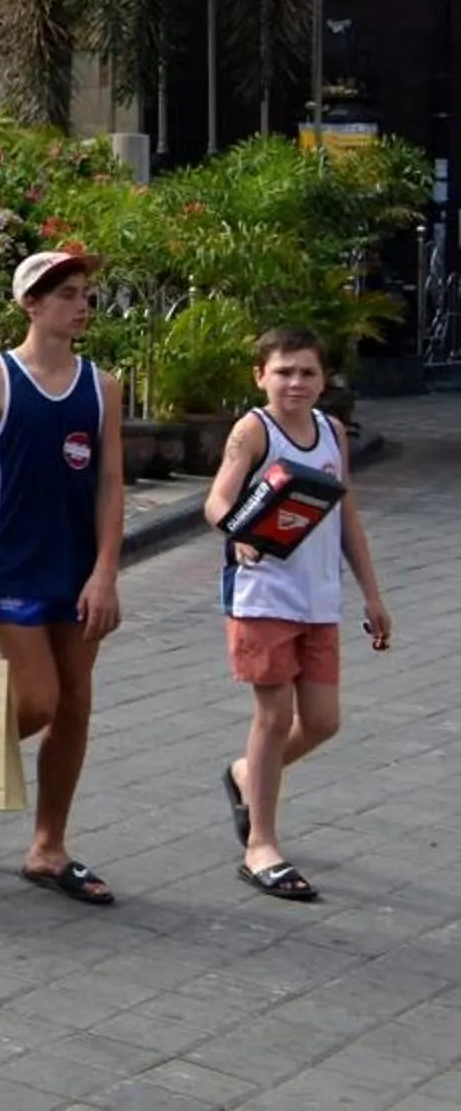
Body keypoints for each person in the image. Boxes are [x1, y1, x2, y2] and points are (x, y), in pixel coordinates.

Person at [0, 247, 126, 904]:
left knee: (75, 705)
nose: (81, 305)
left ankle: (49, 847)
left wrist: (106, 572)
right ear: (31, 304)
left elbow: (109, 483)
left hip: (76, 567)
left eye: (84, 294)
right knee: (38, 698)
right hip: (11, 560)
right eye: (67, 293)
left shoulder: (102, 387)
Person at [204, 326, 393, 902]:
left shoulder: (333, 432)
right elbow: (216, 499)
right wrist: (238, 533)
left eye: (308, 372)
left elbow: (347, 517)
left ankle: (245, 776)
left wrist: (372, 594)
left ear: (323, 379)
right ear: (260, 375)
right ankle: (261, 843)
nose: (296, 382)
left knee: (322, 721)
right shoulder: (253, 430)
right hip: (263, 596)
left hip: (319, 599)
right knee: (272, 713)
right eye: (284, 371)